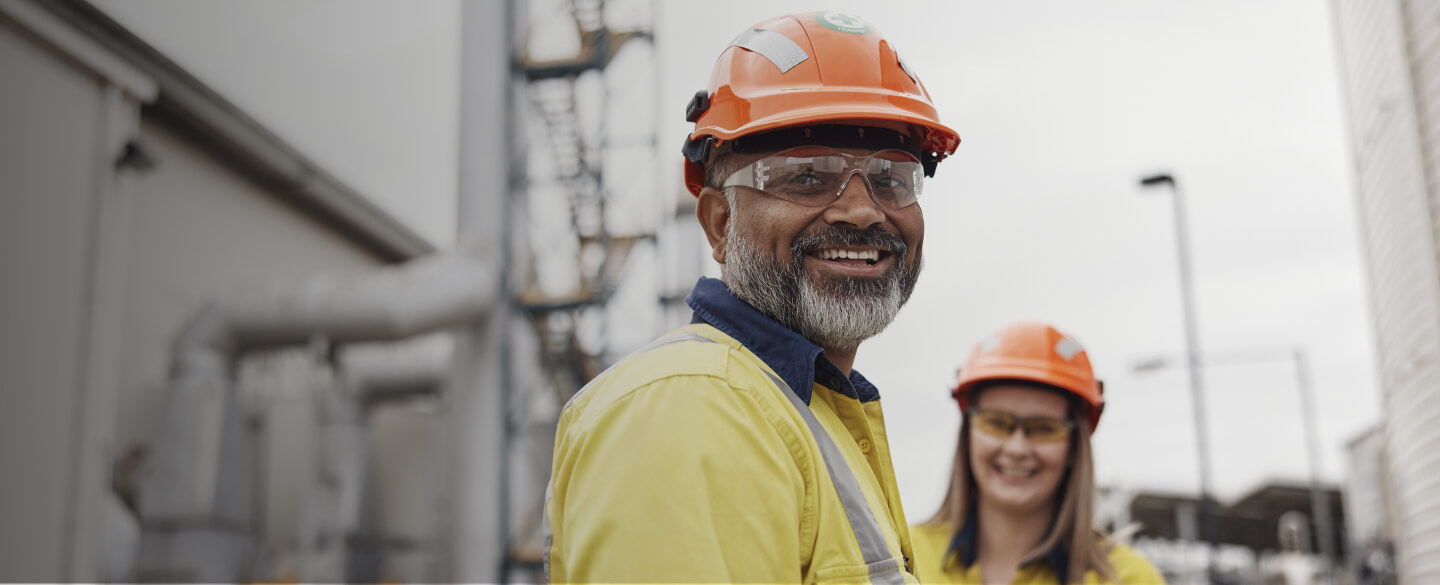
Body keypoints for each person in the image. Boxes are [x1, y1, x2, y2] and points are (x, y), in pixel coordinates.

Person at [544, 10, 959, 584]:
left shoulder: (802, 414)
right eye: (806, 176)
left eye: (891, 178)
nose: (863, 210)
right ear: (719, 223)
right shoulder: (690, 406)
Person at [911, 322, 1166, 584]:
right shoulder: (903, 558)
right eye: (996, 422)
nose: (1017, 448)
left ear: (1073, 449)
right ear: (968, 434)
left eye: (1044, 428)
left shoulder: (1129, 578)